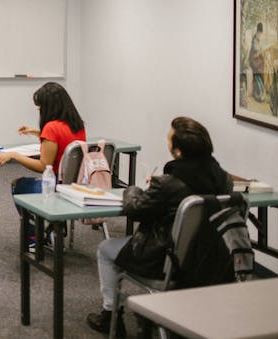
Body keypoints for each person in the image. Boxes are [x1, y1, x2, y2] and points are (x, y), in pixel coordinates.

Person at [85, 116, 233, 337]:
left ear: (179, 151)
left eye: (169, 138)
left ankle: (110, 315)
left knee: (106, 249)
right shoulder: (224, 180)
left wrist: (132, 190)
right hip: (209, 261)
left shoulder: (168, 184)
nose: (167, 141)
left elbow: (135, 210)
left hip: (165, 260)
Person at [0, 81, 86, 189]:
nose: (39, 110)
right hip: (76, 183)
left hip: (56, 185)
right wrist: (37, 133)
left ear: (48, 108)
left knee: (18, 184)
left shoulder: (51, 128)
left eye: (40, 107)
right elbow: (62, 140)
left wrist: (14, 155)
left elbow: (44, 166)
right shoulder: (77, 124)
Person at [249, 22, 266, 102]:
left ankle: (261, 93)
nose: (260, 35)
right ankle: (258, 94)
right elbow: (254, 53)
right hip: (253, 60)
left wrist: (262, 52)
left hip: (257, 60)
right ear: (257, 32)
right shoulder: (254, 39)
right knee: (257, 74)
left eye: (261, 33)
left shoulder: (258, 39)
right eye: (259, 33)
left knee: (262, 66)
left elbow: (260, 50)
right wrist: (260, 52)